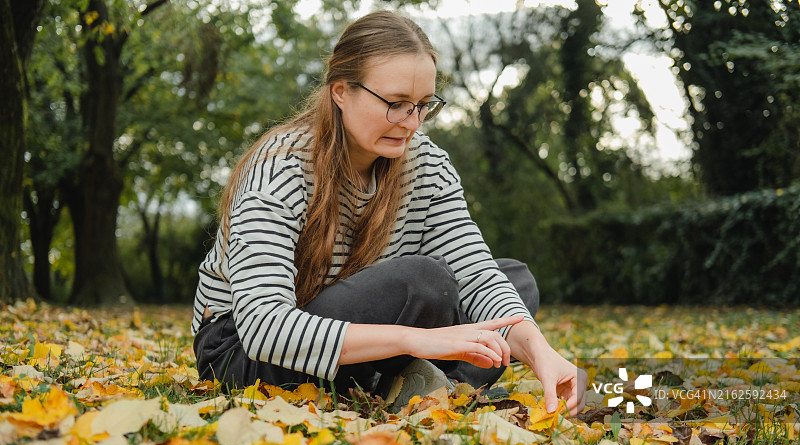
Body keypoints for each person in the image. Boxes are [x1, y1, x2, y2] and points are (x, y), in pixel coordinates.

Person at [191, 10, 586, 416]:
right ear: (341, 91)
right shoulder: (281, 169)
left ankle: (425, 387)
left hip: (363, 332)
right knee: (424, 281)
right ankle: (412, 380)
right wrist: (412, 340)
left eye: (423, 105)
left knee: (512, 282)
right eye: (396, 104)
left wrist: (538, 347)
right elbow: (265, 329)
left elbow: (475, 272)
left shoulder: (427, 166)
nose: (411, 123)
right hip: (244, 351)